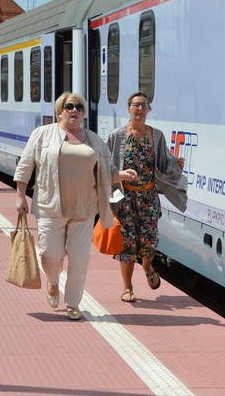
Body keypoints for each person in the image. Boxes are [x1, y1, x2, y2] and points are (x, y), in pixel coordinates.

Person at [14, 92, 138, 321]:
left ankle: (73, 303)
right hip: (50, 207)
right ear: (60, 110)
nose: (75, 111)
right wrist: (20, 195)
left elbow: (105, 171)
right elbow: (25, 165)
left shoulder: (93, 139)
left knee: (80, 259)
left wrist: (120, 175)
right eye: (69, 106)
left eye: (79, 107)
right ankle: (52, 281)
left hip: (85, 209)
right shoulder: (43, 134)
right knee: (51, 255)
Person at [106, 92, 187, 303]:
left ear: (148, 110)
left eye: (144, 105)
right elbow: (107, 165)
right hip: (125, 197)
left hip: (148, 197)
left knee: (149, 242)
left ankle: (148, 265)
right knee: (127, 243)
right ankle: (127, 287)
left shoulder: (156, 136)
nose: (139, 109)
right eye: (136, 105)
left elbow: (164, 163)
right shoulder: (118, 136)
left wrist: (175, 165)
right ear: (128, 108)